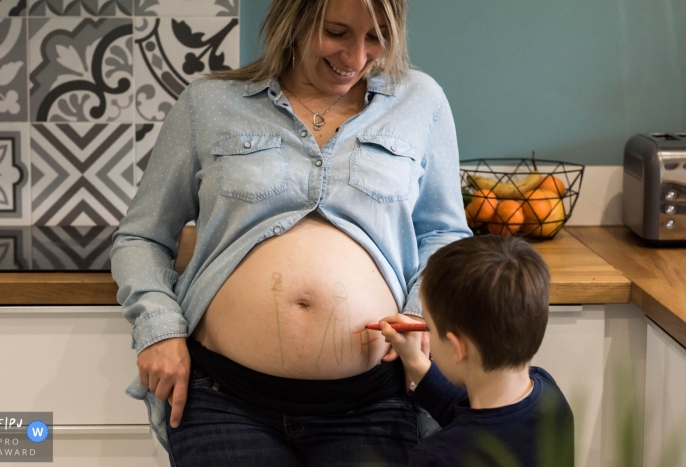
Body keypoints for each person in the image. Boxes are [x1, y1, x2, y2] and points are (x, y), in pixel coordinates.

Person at [111, 0, 471, 465]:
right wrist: (158, 330)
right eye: (337, 32)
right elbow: (141, 237)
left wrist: (421, 313)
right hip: (224, 399)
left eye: (376, 36)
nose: (356, 57)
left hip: (374, 401)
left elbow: (444, 236)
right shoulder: (209, 101)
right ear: (294, 19)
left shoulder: (421, 101)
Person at [378, 235, 575, 467]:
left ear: (457, 347)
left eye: (429, 327)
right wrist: (415, 361)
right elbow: (478, 417)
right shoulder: (550, 398)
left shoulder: (437, 457)